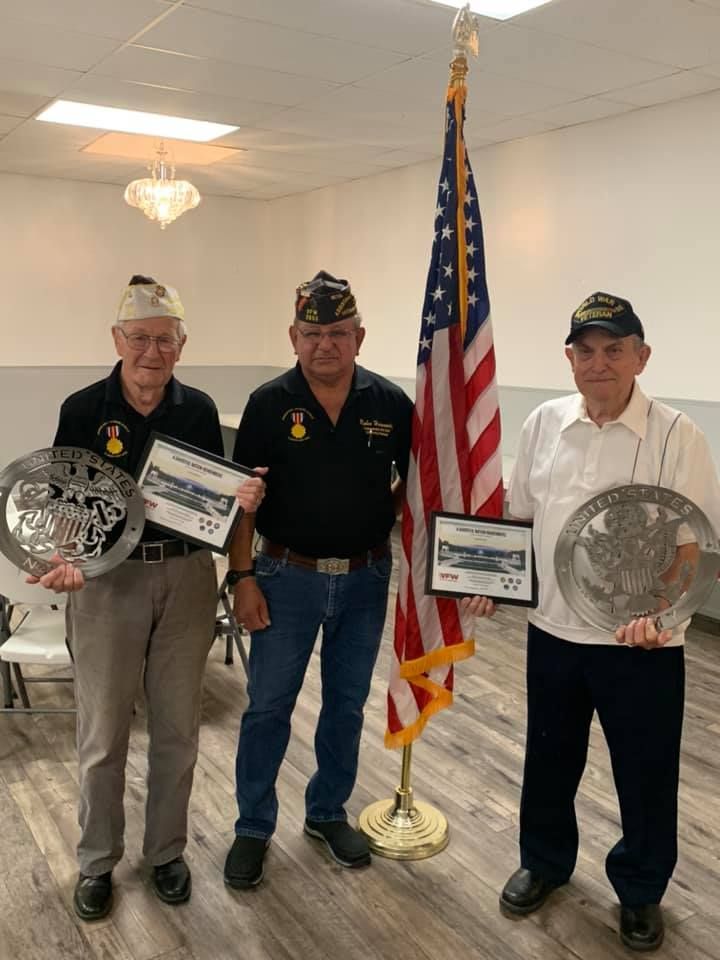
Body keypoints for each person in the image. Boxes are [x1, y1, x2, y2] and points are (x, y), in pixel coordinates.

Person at [32, 275, 265, 922]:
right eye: (140, 339)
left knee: (177, 730)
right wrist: (65, 556)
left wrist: (241, 498)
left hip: (188, 579)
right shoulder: (82, 409)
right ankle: (96, 862)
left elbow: (212, 501)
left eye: (165, 340)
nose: (152, 352)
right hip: (108, 584)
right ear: (117, 340)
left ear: (181, 346)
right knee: (103, 735)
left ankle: (166, 852)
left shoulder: (197, 409)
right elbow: (62, 502)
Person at [500, 292, 720, 951]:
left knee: (645, 770)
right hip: (553, 632)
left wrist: (667, 613)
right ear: (569, 358)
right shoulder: (543, 423)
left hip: (642, 644)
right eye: (586, 350)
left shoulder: (679, 436)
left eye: (614, 349)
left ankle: (641, 888)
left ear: (641, 356)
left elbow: (695, 546)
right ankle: (543, 861)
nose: (599, 362)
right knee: (548, 756)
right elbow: (521, 520)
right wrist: (490, 582)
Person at [222, 270, 415, 888]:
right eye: (312, 333)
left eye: (337, 332)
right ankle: (253, 825)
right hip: (285, 577)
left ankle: (327, 812)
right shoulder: (268, 403)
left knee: (345, 704)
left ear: (359, 336)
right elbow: (240, 501)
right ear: (293, 336)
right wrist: (243, 577)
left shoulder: (390, 404)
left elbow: (413, 487)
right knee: (268, 706)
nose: (323, 344)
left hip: (364, 581)